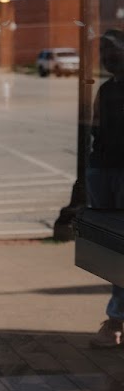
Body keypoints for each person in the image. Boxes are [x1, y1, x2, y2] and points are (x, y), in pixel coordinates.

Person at [87, 29, 124, 348]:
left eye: (114, 51)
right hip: (103, 170)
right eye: (104, 52)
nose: (108, 58)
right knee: (113, 249)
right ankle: (116, 320)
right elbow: (95, 127)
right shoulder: (107, 89)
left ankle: (115, 320)